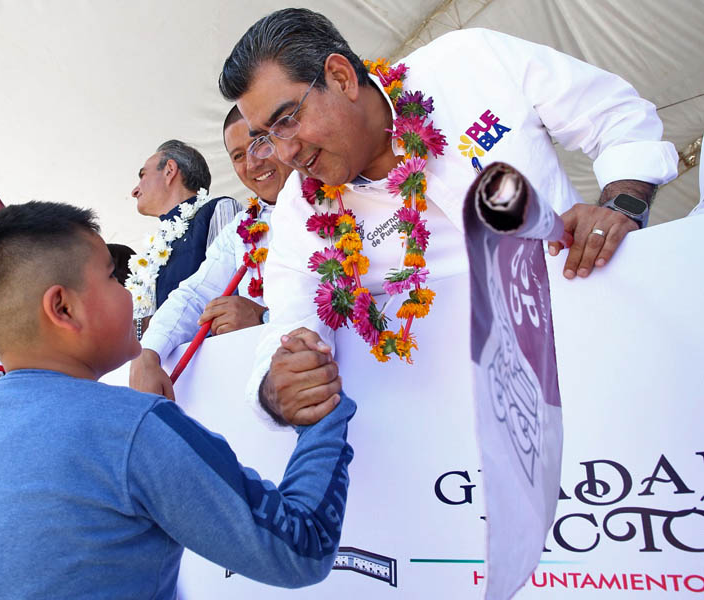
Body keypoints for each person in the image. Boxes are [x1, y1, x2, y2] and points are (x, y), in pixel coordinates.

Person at [0, 201, 355, 599]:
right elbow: (298, 548)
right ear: (63, 307)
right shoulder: (134, 426)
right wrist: (322, 411)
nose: (131, 297)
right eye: (114, 278)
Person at [218, 8, 679, 427]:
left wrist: (622, 207)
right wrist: (275, 389)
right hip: (471, 426)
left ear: (340, 78)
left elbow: (617, 117)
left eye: (287, 121)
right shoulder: (302, 209)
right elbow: (291, 322)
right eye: (265, 138)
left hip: (608, 345)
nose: (284, 152)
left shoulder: (469, 63)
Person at [129, 106, 292, 399]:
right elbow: (195, 294)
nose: (253, 163)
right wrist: (148, 351)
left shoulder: (339, 196)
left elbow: (364, 299)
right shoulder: (245, 225)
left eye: (261, 142)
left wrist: (265, 320)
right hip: (248, 380)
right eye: (239, 156)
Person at [128, 139, 241, 332]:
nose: (134, 191)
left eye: (143, 175)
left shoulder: (219, 209)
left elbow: (227, 293)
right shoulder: (153, 253)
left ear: (169, 170)